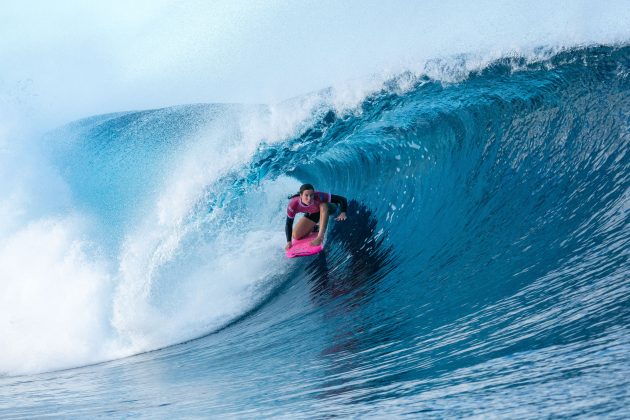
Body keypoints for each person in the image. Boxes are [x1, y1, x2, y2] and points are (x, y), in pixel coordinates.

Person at [285, 183, 348, 250]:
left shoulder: (319, 196)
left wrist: (343, 212)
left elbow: (342, 199)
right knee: (296, 235)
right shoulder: (293, 204)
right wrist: (289, 242)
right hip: (314, 213)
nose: (309, 198)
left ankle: (320, 237)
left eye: (311, 195)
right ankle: (315, 227)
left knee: (323, 204)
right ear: (301, 195)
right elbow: (288, 224)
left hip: (330, 208)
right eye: (306, 195)